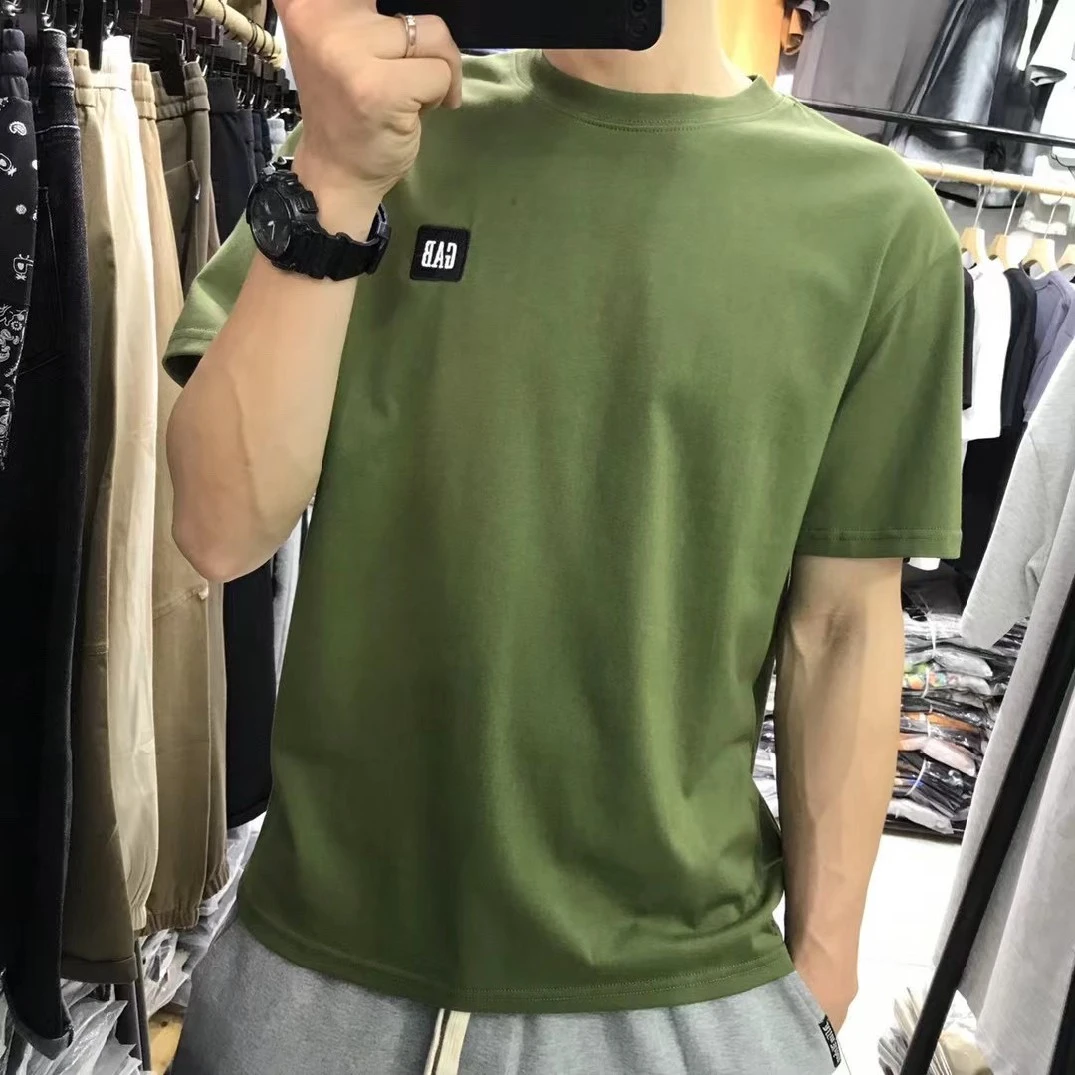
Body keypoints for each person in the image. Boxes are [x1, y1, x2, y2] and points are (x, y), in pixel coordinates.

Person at [164, 0, 964, 1071]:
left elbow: (845, 625)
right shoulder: (387, 130)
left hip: (681, 991)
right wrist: (337, 178)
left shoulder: (872, 224)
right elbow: (217, 527)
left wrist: (817, 987)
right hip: (317, 971)